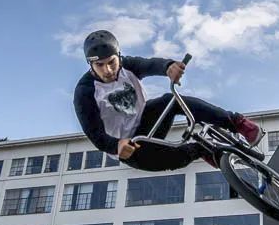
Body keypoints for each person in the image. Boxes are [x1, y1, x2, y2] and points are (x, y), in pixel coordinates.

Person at [73, 29, 263, 171]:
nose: (107, 70)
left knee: (170, 100)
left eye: (111, 62)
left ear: (119, 57)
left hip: (148, 119)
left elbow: (149, 65)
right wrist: (116, 145)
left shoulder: (127, 65)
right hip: (130, 147)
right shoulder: (85, 92)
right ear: (90, 64)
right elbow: (95, 134)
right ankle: (203, 150)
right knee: (172, 159)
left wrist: (168, 67)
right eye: (100, 65)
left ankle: (238, 123)